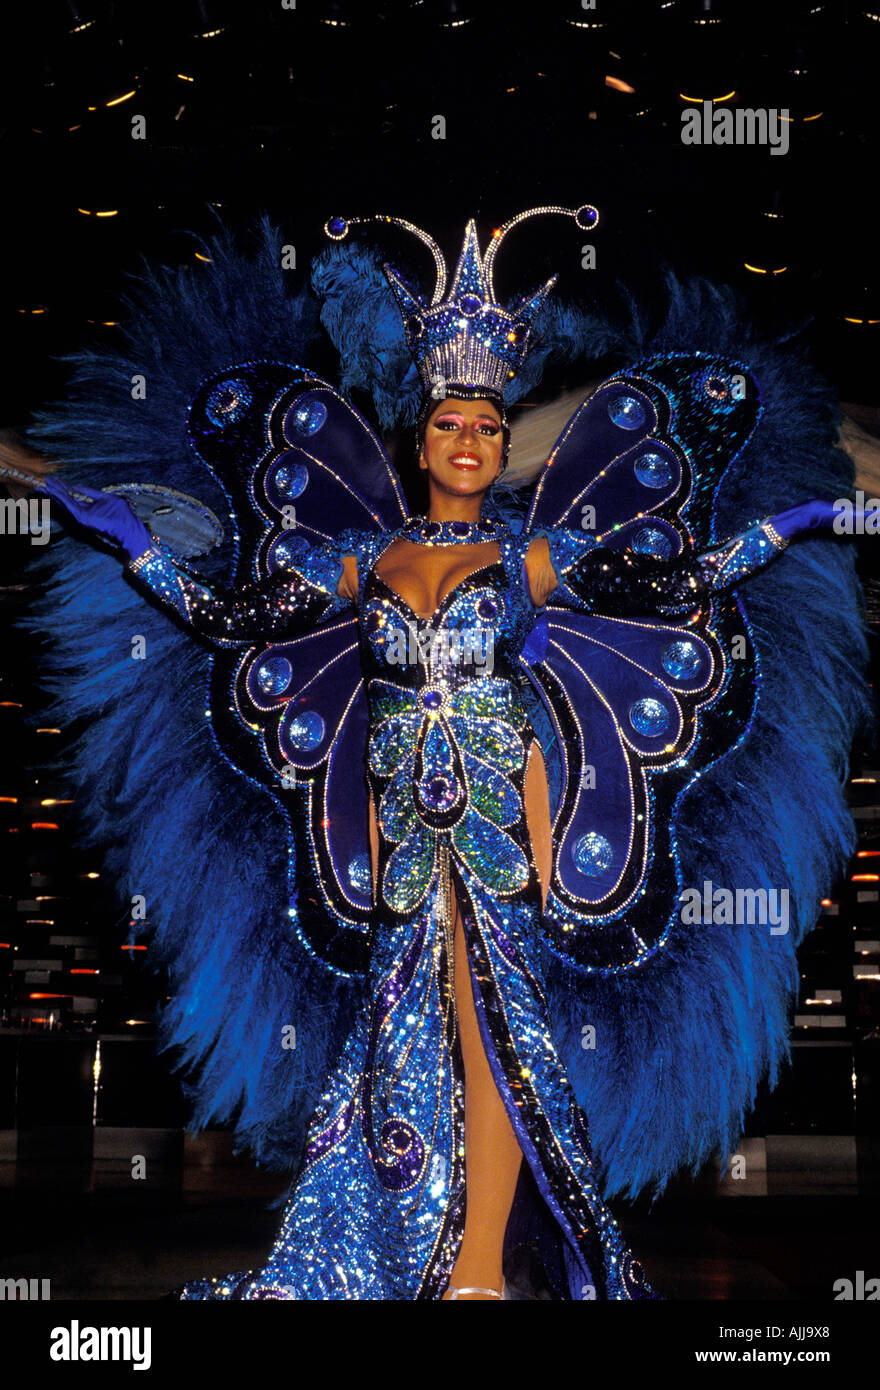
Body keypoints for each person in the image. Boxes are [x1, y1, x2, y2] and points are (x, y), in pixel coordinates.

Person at [9, 206, 867, 1300]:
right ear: (421, 433)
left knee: (493, 1038)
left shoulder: (531, 560)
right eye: (453, 422)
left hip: (503, 828)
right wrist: (134, 549)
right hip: (398, 834)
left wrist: (787, 527)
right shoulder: (363, 561)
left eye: (490, 428)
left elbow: (674, 580)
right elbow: (233, 619)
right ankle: (398, 1249)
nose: (472, 442)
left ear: (504, 442)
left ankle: (473, 1271)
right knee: (396, 1044)